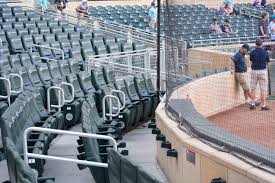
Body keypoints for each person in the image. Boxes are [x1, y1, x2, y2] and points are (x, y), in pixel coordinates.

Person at [249, 38, 270, 111]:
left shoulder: (252, 52)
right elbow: (268, 61)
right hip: (263, 71)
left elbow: (251, 59)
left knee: (253, 88)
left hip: (254, 71)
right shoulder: (265, 52)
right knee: (263, 89)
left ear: (255, 44)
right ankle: (263, 106)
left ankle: (253, 104)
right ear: (261, 44)